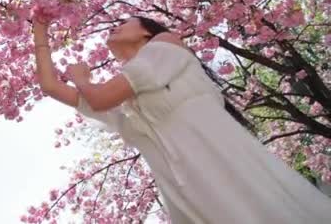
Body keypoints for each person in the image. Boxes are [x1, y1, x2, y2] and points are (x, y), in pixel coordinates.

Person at [32, 15, 331, 223]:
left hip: (221, 166)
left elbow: (97, 98)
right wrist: (40, 31)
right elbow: (50, 86)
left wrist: (83, 80)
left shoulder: (166, 44)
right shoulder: (131, 106)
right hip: (185, 191)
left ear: (146, 31)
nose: (114, 29)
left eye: (123, 23)